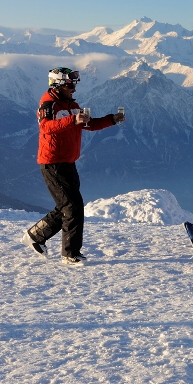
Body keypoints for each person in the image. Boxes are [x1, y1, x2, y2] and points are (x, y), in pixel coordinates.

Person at [21, 67, 125, 265]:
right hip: (53, 162)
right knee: (73, 206)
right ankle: (70, 254)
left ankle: (35, 236)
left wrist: (112, 119)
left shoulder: (72, 105)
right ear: (58, 85)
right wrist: (72, 120)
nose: (74, 89)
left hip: (68, 161)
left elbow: (89, 124)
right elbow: (45, 126)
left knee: (67, 206)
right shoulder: (49, 104)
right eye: (70, 85)